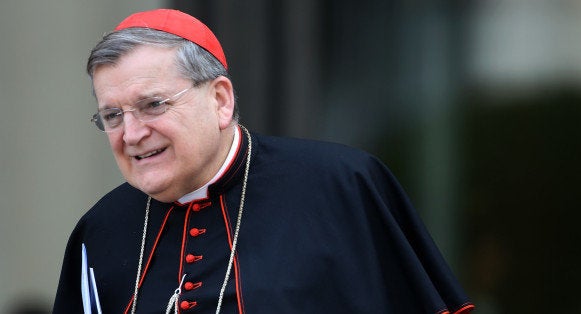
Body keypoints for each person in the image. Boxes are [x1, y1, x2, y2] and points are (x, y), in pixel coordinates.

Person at [53, 8, 474, 314]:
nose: (132, 134)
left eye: (152, 105)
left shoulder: (342, 186)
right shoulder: (101, 230)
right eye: (113, 116)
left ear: (220, 100)